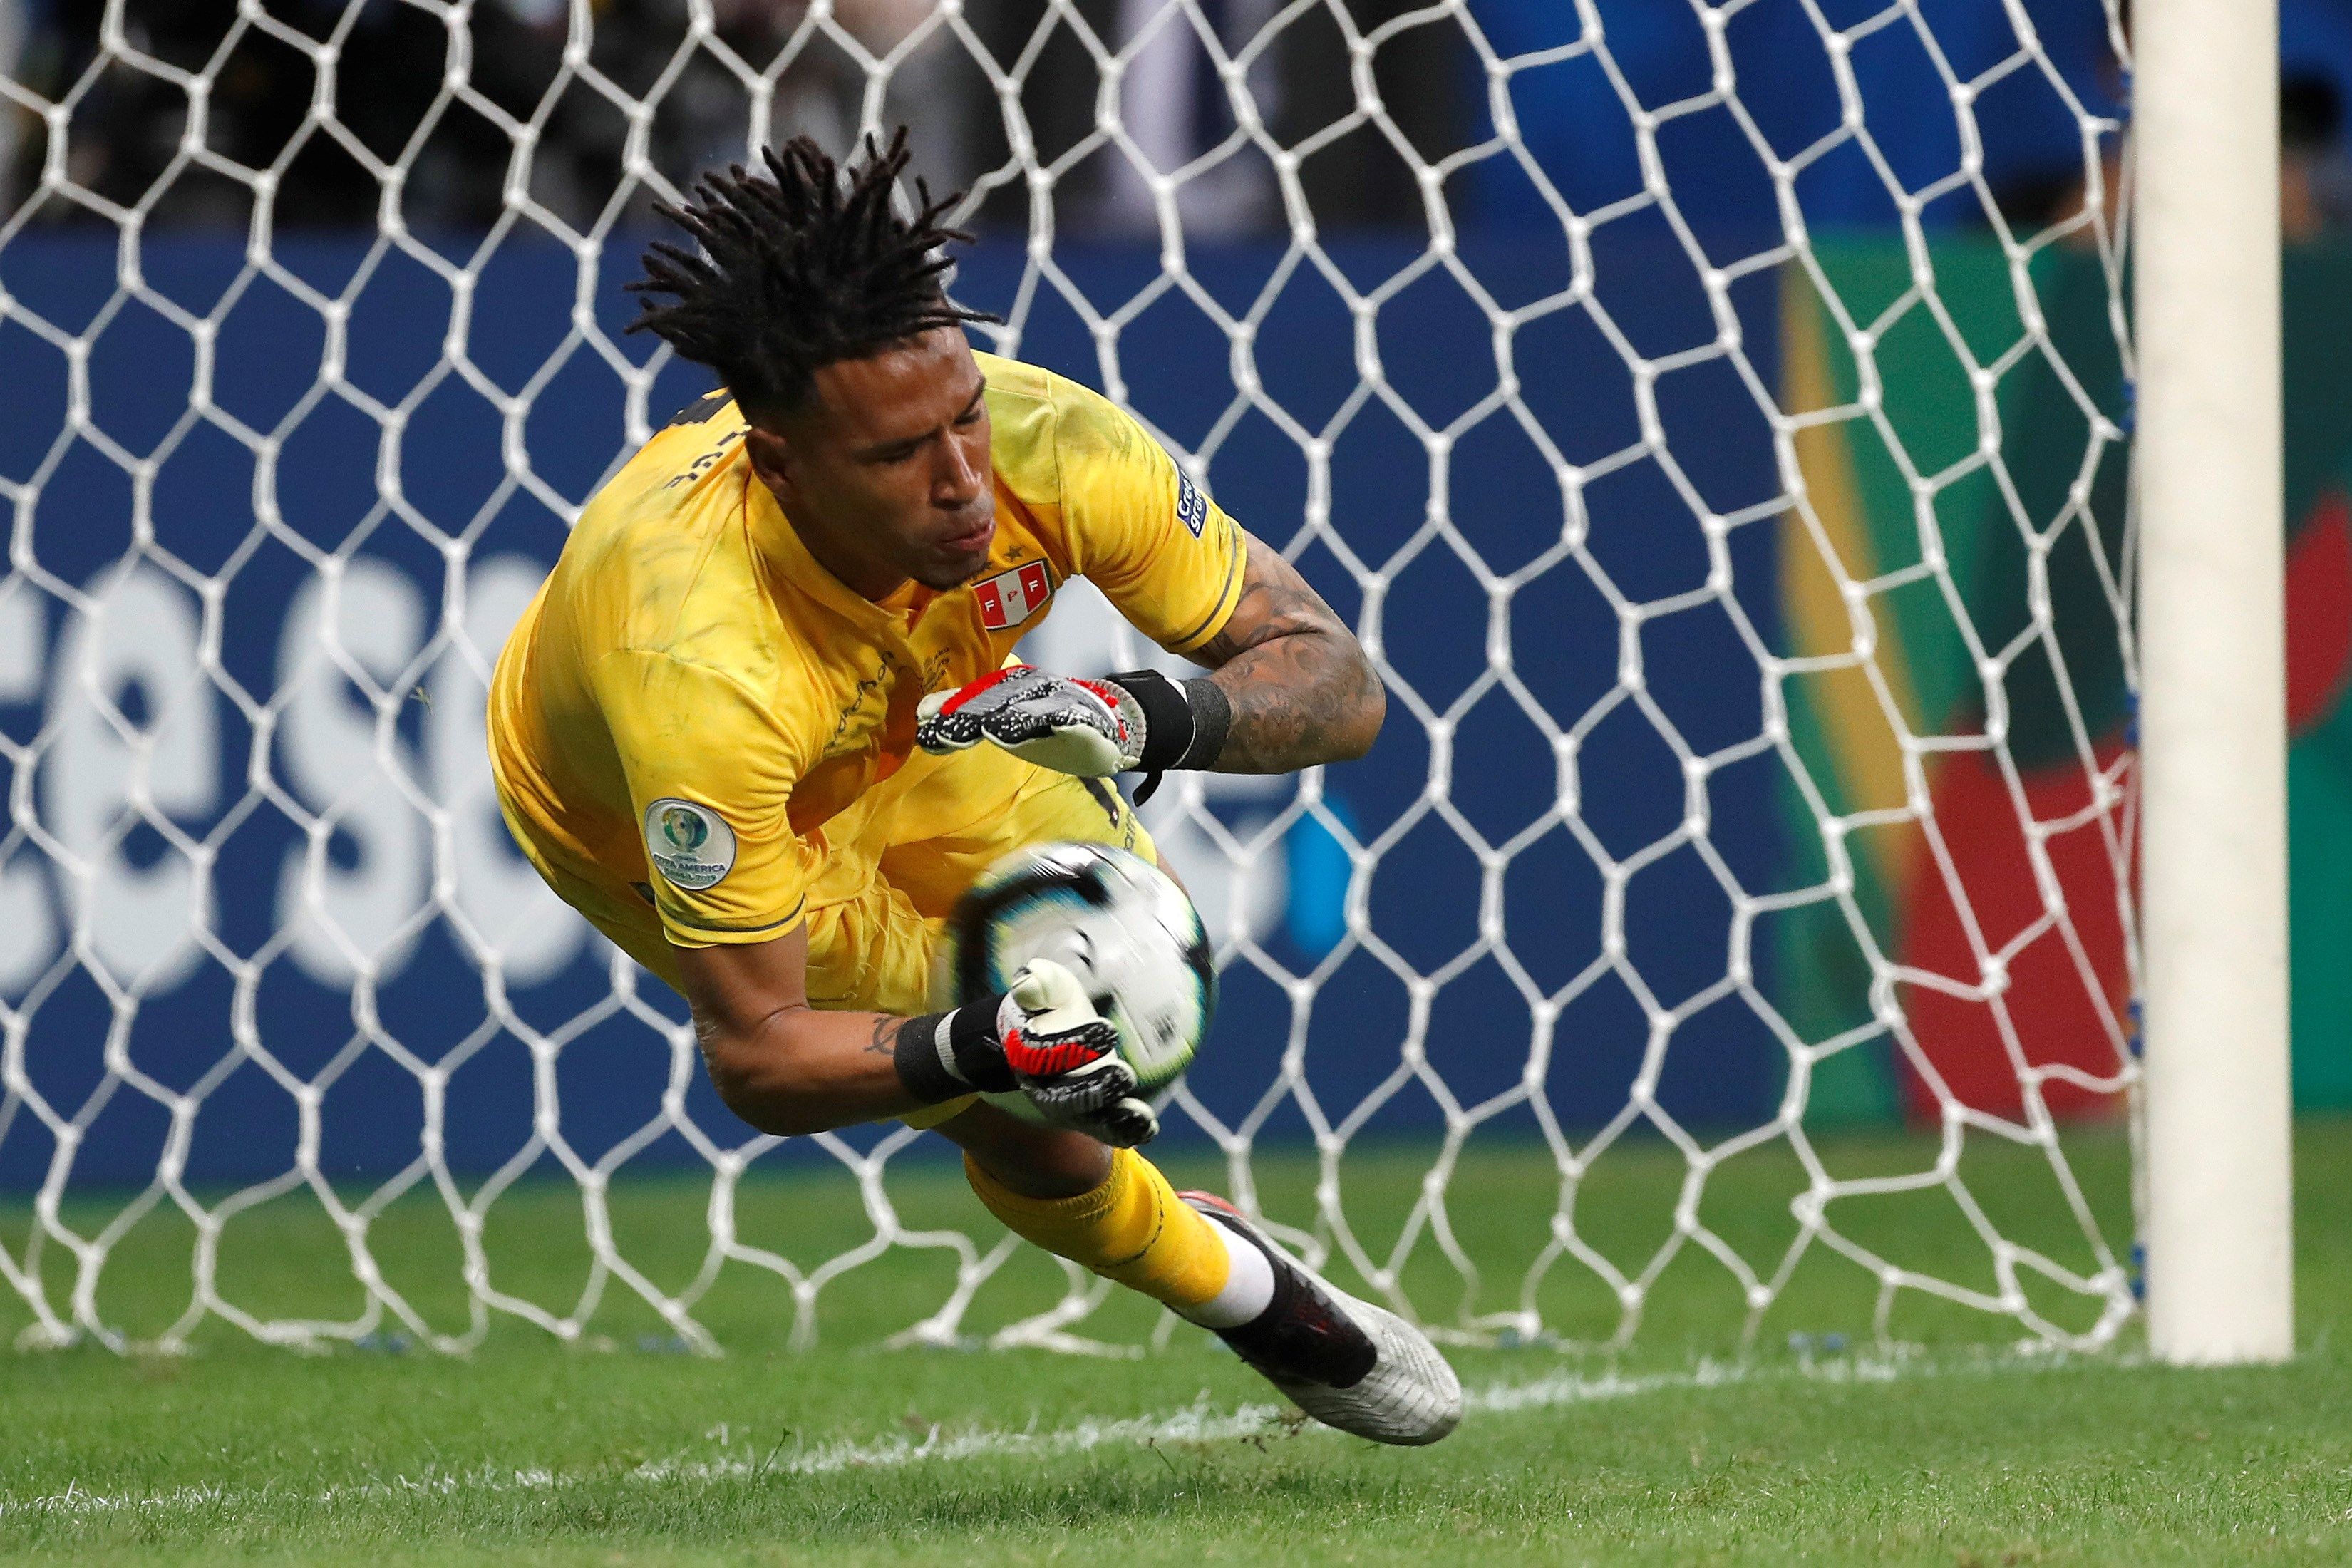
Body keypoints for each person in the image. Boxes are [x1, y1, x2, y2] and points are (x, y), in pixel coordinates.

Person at [485, 128, 1461, 1444]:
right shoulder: (697, 663)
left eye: (963, 418)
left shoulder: (1050, 443)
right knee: (1015, 1094)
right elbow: (760, 1054)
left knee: (1103, 984)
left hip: (918, 730)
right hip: (665, 804)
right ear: (780, 465)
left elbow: (1341, 686)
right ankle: (1246, 1294)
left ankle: (1127, 1180)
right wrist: (971, 1049)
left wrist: (1138, 712)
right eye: (898, 457)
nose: (961, 485)